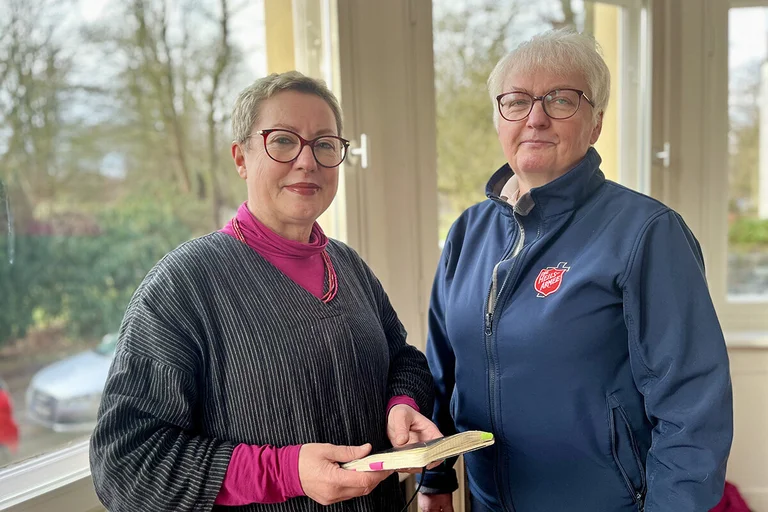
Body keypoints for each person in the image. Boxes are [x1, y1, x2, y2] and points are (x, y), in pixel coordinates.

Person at [90, 70, 440, 511]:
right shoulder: (184, 285)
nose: (307, 161)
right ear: (241, 157)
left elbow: (403, 359)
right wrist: (284, 471)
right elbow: (124, 462)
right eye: (283, 140)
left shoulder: (350, 267)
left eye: (325, 144)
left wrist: (401, 405)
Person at [417, 29, 733, 512]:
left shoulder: (646, 233)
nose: (536, 118)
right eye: (517, 101)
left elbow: (693, 405)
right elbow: (441, 371)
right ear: (499, 118)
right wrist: (434, 480)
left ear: (596, 123)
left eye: (561, 100)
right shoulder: (467, 232)